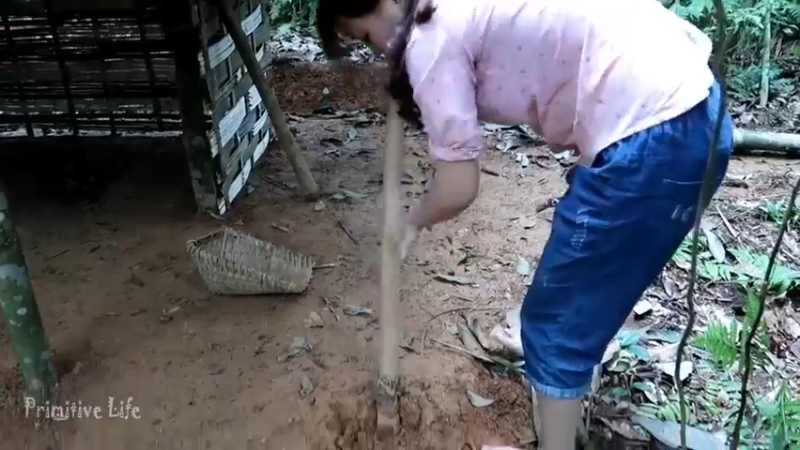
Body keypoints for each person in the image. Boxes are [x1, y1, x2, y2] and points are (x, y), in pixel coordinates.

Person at [316, 0, 733, 448]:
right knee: (583, 299)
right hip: (697, 108)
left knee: (554, 323)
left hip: (655, 137)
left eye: (366, 36)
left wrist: (410, 223)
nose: (380, 51)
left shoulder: (429, 39)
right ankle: (568, 387)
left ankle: (560, 418)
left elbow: (458, 186)